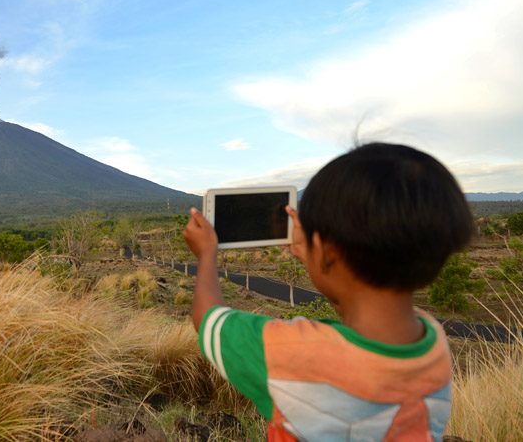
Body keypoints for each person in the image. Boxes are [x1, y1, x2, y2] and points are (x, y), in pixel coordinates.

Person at [183, 143, 474, 441]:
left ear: (327, 250)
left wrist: (207, 255)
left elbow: (209, 320)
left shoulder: (292, 352)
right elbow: (362, 306)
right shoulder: (433, 343)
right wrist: (315, 255)